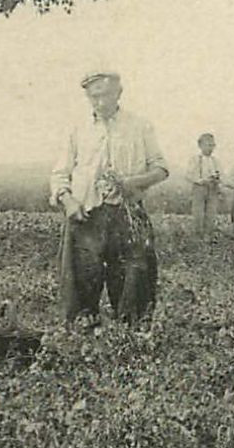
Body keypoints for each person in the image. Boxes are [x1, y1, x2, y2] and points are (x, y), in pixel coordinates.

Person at [50, 69, 169, 328]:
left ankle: (130, 336)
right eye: (94, 97)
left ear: (119, 93)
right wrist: (69, 202)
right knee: (82, 279)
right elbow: (60, 175)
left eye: (105, 95)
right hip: (87, 214)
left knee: (133, 277)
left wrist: (131, 183)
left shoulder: (139, 126)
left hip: (127, 214)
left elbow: (161, 168)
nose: (100, 102)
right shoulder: (76, 129)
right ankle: (83, 332)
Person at [186, 132, 222, 236]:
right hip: (199, 188)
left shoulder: (215, 161)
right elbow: (188, 175)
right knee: (198, 213)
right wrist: (200, 180)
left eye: (212, 145)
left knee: (211, 212)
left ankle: (209, 235)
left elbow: (221, 174)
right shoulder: (195, 159)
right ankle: (198, 236)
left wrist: (217, 179)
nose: (210, 148)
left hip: (213, 188)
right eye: (208, 145)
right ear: (200, 145)